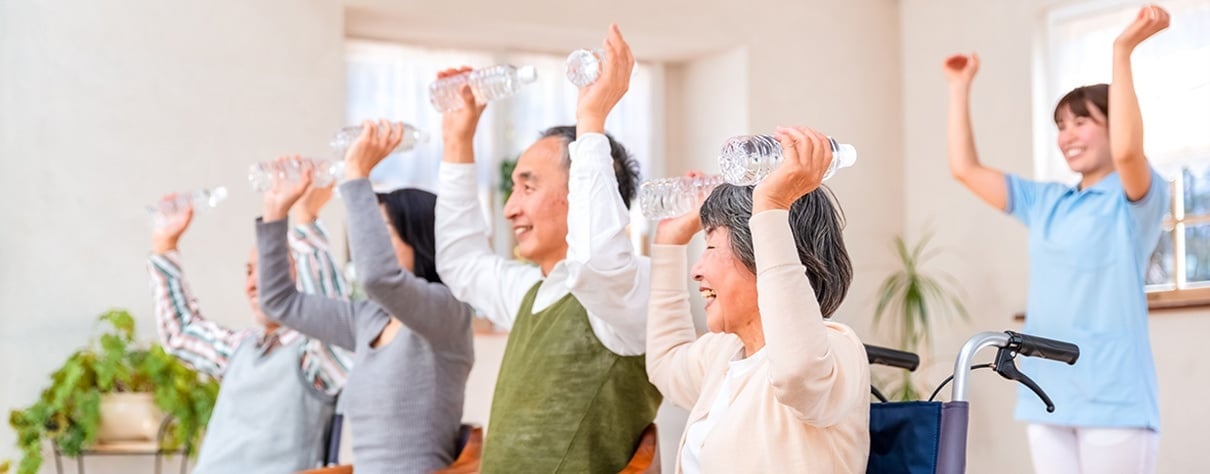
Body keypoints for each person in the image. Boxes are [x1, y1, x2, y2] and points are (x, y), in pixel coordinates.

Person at [942, 5, 1171, 473]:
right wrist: (959, 88)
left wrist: (1121, 50)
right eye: (1061, 125)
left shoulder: (1136, 199)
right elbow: (964, 169)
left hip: (1115, 398)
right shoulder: (1046, 201)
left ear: (1114, 124)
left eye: (1081, 121)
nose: (1067, 135)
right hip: (1046, 393)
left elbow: (1130, 150)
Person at [434, 24, 661, 472]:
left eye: (528, 187)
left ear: (580, 192)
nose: (510, 210)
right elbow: (460, 262)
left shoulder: (631, 290)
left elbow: (596, 262)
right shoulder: (530, 293)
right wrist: (458, 141)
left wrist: (591, 123)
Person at [646, 127, 870, 473]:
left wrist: (772, 208)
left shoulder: (836, 350)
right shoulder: (724, 354)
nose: (697, 270)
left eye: (710, 246)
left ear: (761, 253)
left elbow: (797, 373)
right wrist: (669, 243)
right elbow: (665, 363)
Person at [255, 122, 474, 473]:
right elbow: (279, 301)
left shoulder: (446, 313)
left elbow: (377, 276)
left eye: (384, 229)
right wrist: (275, 211)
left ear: (418, 239)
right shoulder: (371, 318)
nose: (371, 242)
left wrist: (357, 174)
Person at [147, 185, 352, 473]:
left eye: (271, 269)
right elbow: (181, 332)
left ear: (302, 275)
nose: (254, 284)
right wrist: (165, 246)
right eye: (249, 271)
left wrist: (306, 219)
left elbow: (332, 317)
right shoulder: (241, 348)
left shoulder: (314, 356)